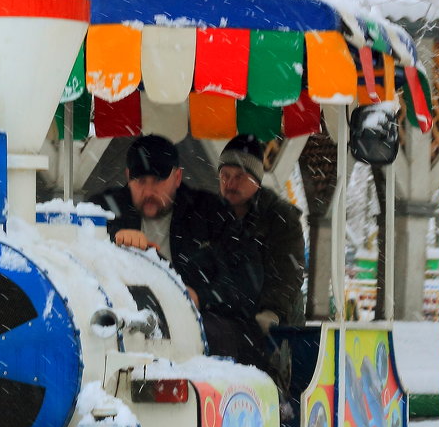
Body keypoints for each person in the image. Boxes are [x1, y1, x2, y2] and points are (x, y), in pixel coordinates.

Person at [89, 134, 265, 367]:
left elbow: (248, 281)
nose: (149, 191)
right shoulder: (104, 210)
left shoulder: (210, 213)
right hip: (126, 321)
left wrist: (200, 297)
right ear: (127, 178)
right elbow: (79, 258)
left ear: (177, 177)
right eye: (140, 182)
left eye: (158, 181)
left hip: (200, 327)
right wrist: (112, 239)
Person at [216, 134, 306, 332]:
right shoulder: (211, 216)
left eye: (239, 176)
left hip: (275, 322)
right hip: (227, 320)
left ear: (256, 180)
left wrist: (271, 311)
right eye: (225, 176)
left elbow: (288, 272)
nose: (230, 184)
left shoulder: (281, 218)